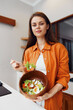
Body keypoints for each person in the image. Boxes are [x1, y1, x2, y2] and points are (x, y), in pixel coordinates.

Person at [10, 12, 70, 110]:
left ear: (47, 26)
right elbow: (28, 76)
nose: (37, 27)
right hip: (31, 99)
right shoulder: (28, 51)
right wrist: (22, 69)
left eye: (41, 23)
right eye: (34, 25)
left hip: (51, 100)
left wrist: (49, 94)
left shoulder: (59, 48)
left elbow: (64, 78)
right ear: (31, 28)